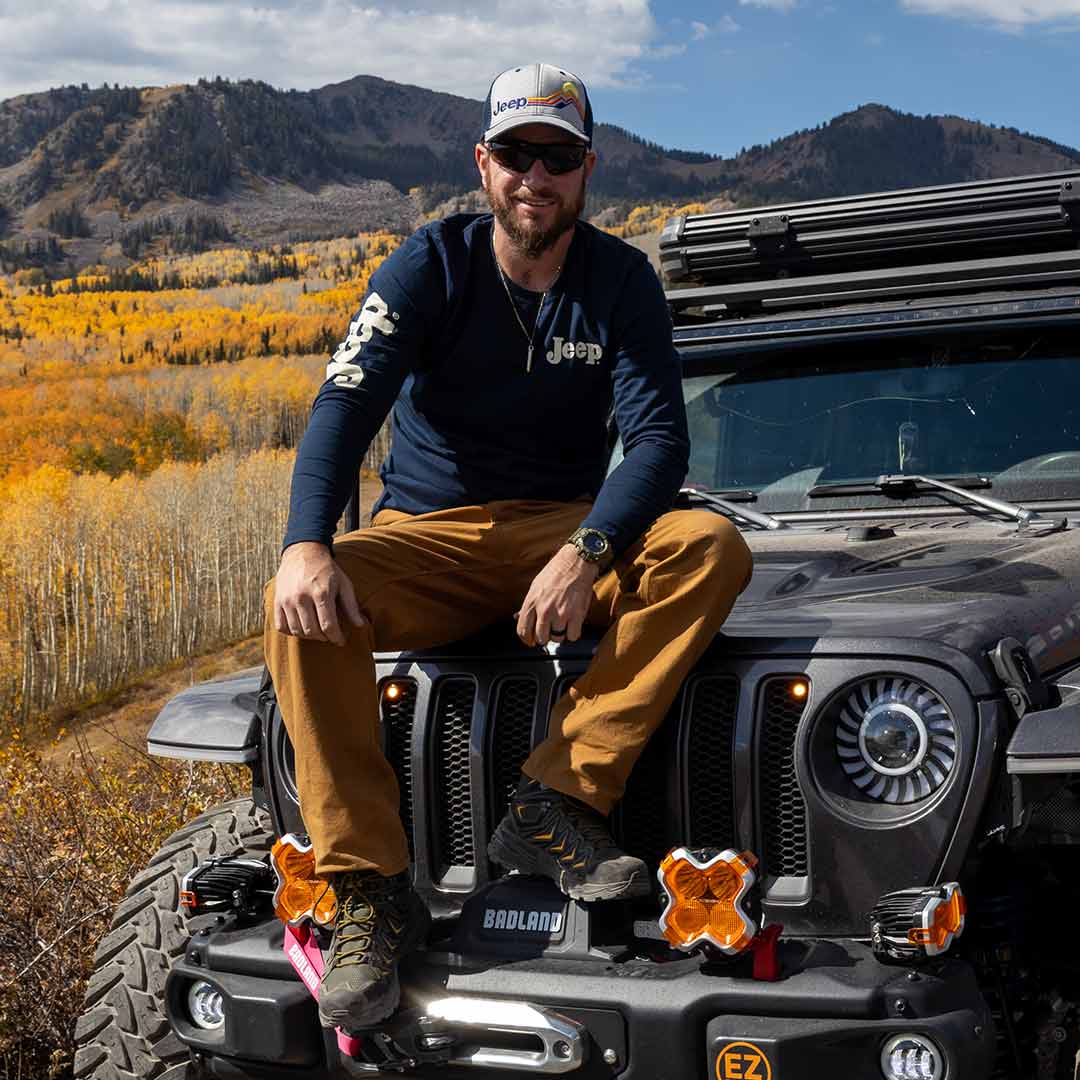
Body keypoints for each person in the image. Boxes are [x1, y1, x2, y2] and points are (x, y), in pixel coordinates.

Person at [264, 61, 752, 1033]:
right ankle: (366, 890)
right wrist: (306, 541)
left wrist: (591, 547)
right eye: (519, 154)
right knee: (303, 600)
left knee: (707, 545)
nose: (537, 174)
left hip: (558, 526)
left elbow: (657, 441)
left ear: (587, 169)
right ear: (485, 164)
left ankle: (555, 796)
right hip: (430, 536)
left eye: (558, 156)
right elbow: (344, 404)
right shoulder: (427, 266)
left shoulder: (619, 281)